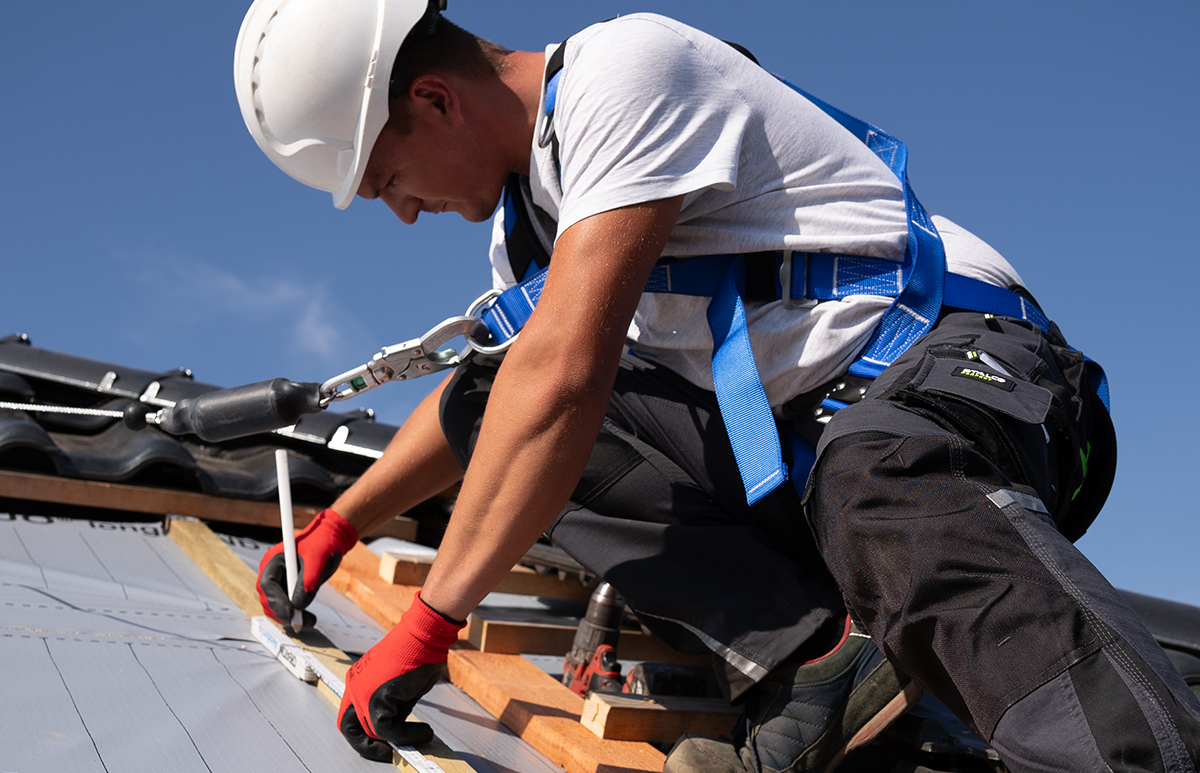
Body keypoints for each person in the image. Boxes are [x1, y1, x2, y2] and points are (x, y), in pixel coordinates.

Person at [235, 1, 1200, 770]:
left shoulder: (626, 71)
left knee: (872, 472)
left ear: (438, 100)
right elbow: (507, 394)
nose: (404, 213)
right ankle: (824, 661)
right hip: (825, 469)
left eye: (388, 179)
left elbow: (564, 376)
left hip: (983, 380)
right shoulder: (523, 235)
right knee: (498, 397)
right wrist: (337, 526)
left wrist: (428, 621)